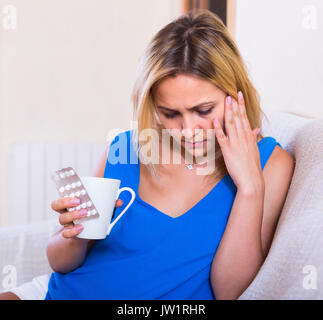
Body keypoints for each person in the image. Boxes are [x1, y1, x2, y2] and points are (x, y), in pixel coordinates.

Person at [1, 8, 295, 300]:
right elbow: (61, 263)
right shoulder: (124, 150)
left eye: (204, 110)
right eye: (170, 113)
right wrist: (77, 235)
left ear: (236, 94)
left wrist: (249, 187)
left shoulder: (271, 165)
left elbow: (230, 291)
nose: (188, 129)